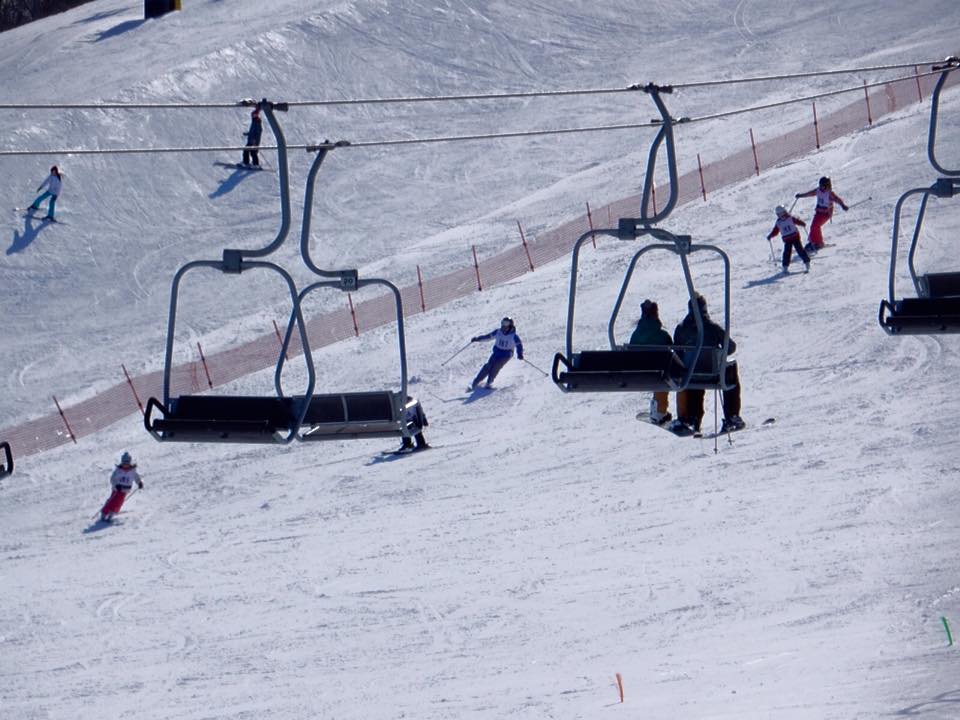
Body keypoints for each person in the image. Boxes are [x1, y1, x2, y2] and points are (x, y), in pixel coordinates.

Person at [670, 294, 744, 436]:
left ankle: (693, 419)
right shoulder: (712, 328)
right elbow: (731, 347)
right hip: (713, 374)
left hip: (691, 375)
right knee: (730, 371)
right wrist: (719, 352)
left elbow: (677, 352)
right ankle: (732, 416)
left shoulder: (681, 329)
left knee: (693, 380)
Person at [629, 299, 673, 426]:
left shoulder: (635, 335)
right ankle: (660, 411)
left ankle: (658, 412)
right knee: (664, 375)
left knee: (658, 373)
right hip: (658, 374)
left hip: (638, 373)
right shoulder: (662, 335)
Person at [794, 176, 848, 252]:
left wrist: (843, 205)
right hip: (819, 212)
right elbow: (809, 193)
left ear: (827, 186)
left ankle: (818, 243)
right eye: (820, 186)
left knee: (815, 226)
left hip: (826, 214)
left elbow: (837, 200)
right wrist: (801, 195)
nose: (821, 188)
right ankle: (813, 241)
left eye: (823, 186)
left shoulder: (829, 194)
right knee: (813, 226)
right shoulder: (818, 191)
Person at [469, 316, 524, 390]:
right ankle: (475, 382)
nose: (504, 326)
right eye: (503, 323)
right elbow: (488, 337)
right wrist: (478, 339)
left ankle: (489, 382)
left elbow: (519, 345)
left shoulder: (513, 336)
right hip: (497, 352)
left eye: (506, 323)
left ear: (510, 325)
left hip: (506, 354)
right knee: (488, 366)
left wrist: (520, 353)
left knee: (496, 366)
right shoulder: (498, 332)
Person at [99, 451, 143, 522]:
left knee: (119, 502)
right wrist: (116, 485)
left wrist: (139, 482)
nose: (125, 466)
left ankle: (111, 513)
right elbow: (112, 479)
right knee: (112, 501)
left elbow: (136, 477)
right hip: (117, 489)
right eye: (124, 464)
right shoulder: (118, 470)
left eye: (127, 464)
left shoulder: (132, 471)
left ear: (129, 463)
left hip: (125, 490)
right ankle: (104, 513)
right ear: (122, 463)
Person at [767, 205, 811, 273]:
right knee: (787, 253)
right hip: (787, 240)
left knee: (800, 250)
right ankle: (785, 267)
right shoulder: (779, 222)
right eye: (780, 214)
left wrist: (802, 223)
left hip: (795, 237)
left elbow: (797, 221)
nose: (782, 216)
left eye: (783, 213)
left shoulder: (790, 218)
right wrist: (770, 235)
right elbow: (775, 231)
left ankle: (807, 262)